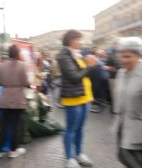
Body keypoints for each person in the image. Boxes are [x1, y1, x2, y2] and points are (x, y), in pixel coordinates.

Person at [113, 37, 142, 168]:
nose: (123, 60)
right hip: (122, 124)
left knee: (140, 163)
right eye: (121, 56)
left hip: (141, 129)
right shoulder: (121, 72)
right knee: (123, 157)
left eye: (128, 57)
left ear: (140, 55)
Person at [57, 30, 98, 168]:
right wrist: (89, 66)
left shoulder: (77, 54)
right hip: (73, 98)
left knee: (80, 128)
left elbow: (84, 75)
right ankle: (70, 158)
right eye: (78, 39)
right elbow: (74, 77)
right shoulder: (63, 55)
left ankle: (79, 154)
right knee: (71, 129)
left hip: (84, 97)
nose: (80, 42)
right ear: (70, 40)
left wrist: (90, 65)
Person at [0, 45, 29, 158]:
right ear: (18, 54)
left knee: (3, 124)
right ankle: (13, 151)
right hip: (18, 98)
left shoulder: (1, 65)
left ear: (8, 53)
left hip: (4, 98)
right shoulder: (22, 65)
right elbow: (25, 82)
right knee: (15, 126)